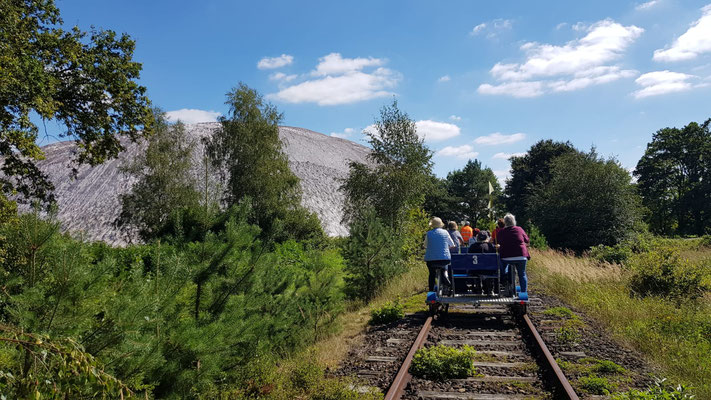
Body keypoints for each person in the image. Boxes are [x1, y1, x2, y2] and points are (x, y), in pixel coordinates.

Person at [497, 213, 530, 293]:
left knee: (501, 263)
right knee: (522, 274)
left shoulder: (501, 232)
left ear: (505, 222)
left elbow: (499, 242)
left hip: (506, 257)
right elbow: (527, 240)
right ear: (514, 221)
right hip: (521, 256)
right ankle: (523, 292)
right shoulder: (519, 229)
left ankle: (505, 278)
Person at [424, 217, 456, 291]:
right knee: (444, 268)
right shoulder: (445, 232)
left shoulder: (429, 233)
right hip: (444, 258)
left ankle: (431, 289)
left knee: (431, 274)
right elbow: (452, 244)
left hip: (431, 259)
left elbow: (425, 245)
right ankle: (446, 279)